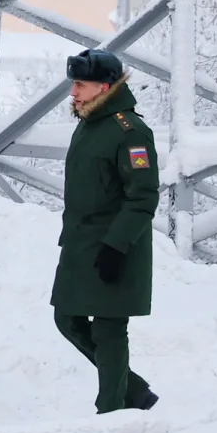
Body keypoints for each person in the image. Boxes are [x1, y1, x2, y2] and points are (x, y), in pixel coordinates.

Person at [51, 48, 159, 414]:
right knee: (66, 319)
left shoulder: (130, 132)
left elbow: (143, 196)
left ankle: (111, 411)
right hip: (82, 246)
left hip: (116, 246)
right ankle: (135, 390)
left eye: (80, 85)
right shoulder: (90, 124)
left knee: (110, 330)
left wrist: (117, 245)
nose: (73, 92)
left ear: (104, 86)